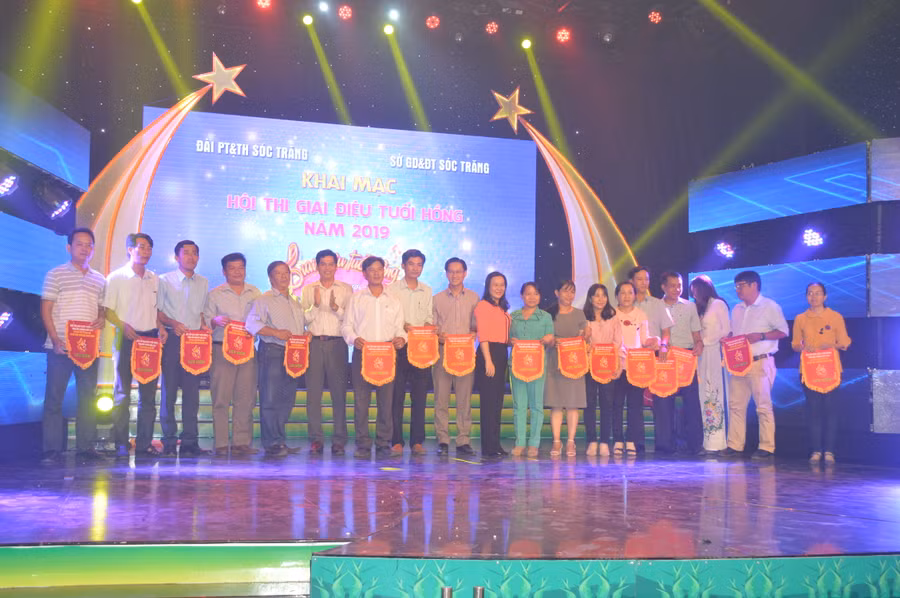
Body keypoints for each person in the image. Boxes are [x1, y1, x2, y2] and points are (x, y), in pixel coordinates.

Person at [40, 227, 107, 464]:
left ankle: (85, 447)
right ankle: (51, 449)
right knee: (54, 398)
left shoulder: (100, 279)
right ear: (69, 247)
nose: (85, 249)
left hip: (88, 348)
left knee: (88, 398)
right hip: (60, 345)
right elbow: (46, 308)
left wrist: (102, 317)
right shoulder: (55, 274)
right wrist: (55, 339)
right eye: (80, 244)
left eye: (89, 245)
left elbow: (101, 308)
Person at [104, 233, 168, 459]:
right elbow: (107, 310)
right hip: (126, 337)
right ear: (130, 249)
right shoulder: (116, 277)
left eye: (149, 247)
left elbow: (156, 310)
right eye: (141, 247)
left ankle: (144, 444)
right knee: (122, 392)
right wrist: (122, 325)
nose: (145, 251)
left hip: (149, 340)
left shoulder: (154, 279)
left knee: (148, 396)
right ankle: (121, 443)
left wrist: (160, 327)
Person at [341, 256, 406, 459]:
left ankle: (383, 443)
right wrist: (354, 339)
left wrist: (402, 339)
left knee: (386, 402)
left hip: (387, 353)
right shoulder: (356, 298)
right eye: (372, 269)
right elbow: (346, 326)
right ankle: (362, 444)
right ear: (365, 273)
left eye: (380, 269)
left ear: (384, 272)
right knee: (361, 401)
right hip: (363, 353)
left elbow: (400, 328)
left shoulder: (394, 300)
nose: (376, 273)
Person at [722, 270, 788, 460]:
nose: (737, 290)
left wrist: (761, 335)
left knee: (763, 406)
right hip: (738, 363)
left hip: (760, 361)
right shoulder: (736, 309)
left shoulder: (770, 306)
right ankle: (735, 445)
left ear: (754, 285)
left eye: (741, 285)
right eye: (736, 286)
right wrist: (727, 339)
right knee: (736, 405)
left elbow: (783, 331)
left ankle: (766, 446)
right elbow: (735, 334)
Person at [246, 261, 306, 457]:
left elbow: (300, 327)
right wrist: (275, 332)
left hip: (293, 355)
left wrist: (306, 334)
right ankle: (271, 443)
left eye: (286, 272)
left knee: (286, 399)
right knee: (270, 399)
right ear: (270, 277)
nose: (283, 276)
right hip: (272, 351)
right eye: (278, 273)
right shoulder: (264, 300)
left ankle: (280, 440)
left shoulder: (295, 302)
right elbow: (251, 324)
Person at [204, 252, 261, 457]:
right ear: (224, 271)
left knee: (245, 398)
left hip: (247, 350)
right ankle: (220, 443)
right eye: (232, 268)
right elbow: (206, 321)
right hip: (222, 349)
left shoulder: (255, 293)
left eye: (241, 267)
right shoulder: (214, 294)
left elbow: (261, 320)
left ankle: (241, 442)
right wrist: (214, 321)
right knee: (221, 398)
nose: (237, 272)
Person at [157, 240, 210, 457]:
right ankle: (169, 441)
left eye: (194, 253)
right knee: (169, 392)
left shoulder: (203, 282)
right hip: (172, 339)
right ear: (176, 257)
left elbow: (201, 312)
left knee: (192, 394)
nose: (190, 257)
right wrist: (172, 323)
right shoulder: (164, 280)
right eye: (185, 253)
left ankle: (190, 442)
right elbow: (157, 311)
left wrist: (204, 326)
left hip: (195, 342)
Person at [791, 282, 851, 464]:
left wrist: (831, 345)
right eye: (810, 293)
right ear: (806, 296)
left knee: (831, 410)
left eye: (817, 293)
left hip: (831, 371)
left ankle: (830, 451)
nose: (814, 297)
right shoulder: (801, 318)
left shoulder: (835, 317)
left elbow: (845, 342)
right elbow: (795, 344)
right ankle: (816, 450)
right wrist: (803, 346)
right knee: (813, 411)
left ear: (825, 296)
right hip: (809, 371)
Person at [299, 249, 352, 456]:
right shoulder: (308, 289)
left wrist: (335, 308)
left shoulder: (346, 289)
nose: (327, 268)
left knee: (339, 394)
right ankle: (316, 440)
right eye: (323, 264)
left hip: (337, 344)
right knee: (313, 394)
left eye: (331, 264)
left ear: (336, 266)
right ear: (317, 266)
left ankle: (339, 440)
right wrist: (315, 306)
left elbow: (351, 319)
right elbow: (302, 320)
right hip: (314, 344)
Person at [432, 257, 480, 457]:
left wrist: (474, 333)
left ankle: (463, 440)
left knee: (464, 399)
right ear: (446, 274)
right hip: (442, 352)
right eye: (451, 271)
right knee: (441, 399)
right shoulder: (436, 299)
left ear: (465, 273)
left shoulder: (474, 298)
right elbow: (432, 327)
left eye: (458, 271)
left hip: (465, 354)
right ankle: (443, 440)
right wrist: (438, 335)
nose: (454, 275)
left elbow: (477, 326)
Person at [387, 249, 433, 456]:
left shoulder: (427, 290)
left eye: (419, 264)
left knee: (420, 396)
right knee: (396, 396)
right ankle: (396, 440)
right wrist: (403, 327)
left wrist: (429, 327)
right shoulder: (392, 290)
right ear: (403, 265)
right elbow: (389, 318)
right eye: (411, 264)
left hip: (422, 348)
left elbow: (429, 318)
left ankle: (417, 441)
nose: (415, 268)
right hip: (399, 347)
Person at [656, 271, 703, 455]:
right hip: (664, 358)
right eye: (672, 286)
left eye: (679, 286)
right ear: (663, 287)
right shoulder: (656, 306)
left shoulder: (690, 306)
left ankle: (695, 445)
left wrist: (699, 344)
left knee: (691, 403)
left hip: (685, 357)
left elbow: (696, 333)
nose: (677, 289)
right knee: (663, 403)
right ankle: (665, 445)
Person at [544, 280, 589, 457]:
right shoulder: (548, 314)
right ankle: (556, 442)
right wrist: (552, 341)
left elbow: (585, 336)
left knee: (572, 404)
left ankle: (571, 441)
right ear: (557, 293)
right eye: (565, 291)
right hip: (554, 363)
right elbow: (545, 338)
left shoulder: (579, 314)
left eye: (572, 292)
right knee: (556, 405)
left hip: (574, 364)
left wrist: (586, 335)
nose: (569, 295)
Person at [509, 282, 554, 457]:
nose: (532, 297)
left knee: (536, 405)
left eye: (535, 294)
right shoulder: (513, 316)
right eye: (528, 293)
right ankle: (520, 442)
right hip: (517, 366)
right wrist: (510, 341)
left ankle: (534, 444)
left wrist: (549, 339)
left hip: (537, 367)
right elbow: (506, 339)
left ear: (540, 296)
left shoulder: (546, 317)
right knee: (519, 405)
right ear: (522, 296)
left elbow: (551, 341)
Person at [689, 275, 730, 454]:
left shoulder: (718, 304)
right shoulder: (699, 308)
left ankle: (719, 443)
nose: (694, 295)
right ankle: (707, 443)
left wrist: (704, 342)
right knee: (703, 395)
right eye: (692, 292)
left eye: (696, 291)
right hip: (701, 355)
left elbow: (726, 330)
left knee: (716, 394)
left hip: (714, 352)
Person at [474, 271, 512, 458]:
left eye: (502, 284)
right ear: (488, 286)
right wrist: (488, 360)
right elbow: (483, 335)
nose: (499, 288)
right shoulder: (483, 306)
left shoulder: (502, 308)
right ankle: (488, 447)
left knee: (497, 402)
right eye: (495, 284)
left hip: (501, 353)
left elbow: (503, 335)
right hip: (488, 354)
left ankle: (495, 444)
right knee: (489, 403)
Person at [582, 283, 622, 457]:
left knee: (607, 404)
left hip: (608, 366)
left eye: (603, 295)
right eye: (596, 295)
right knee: (589, 404)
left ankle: (605, 441)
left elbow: (618, 343)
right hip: (589, 366)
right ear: (590, 298)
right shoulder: (583, 317)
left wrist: (618, 365)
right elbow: (579, 343)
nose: (600, 299)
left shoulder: (613, 317)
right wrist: (586, 343)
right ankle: (592, 441)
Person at [614, 281, 653, 457]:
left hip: (636, 368)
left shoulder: (641, 315)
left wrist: (655, 341)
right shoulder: (611, 314)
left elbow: (644, 340)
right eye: (622, 293)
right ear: (617, 296)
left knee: (634, 406)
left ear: (635, 295)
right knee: (616, 405)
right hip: (617, 367)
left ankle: (631, 440)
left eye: (630, 292)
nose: (626, 296)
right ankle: (617, 440)